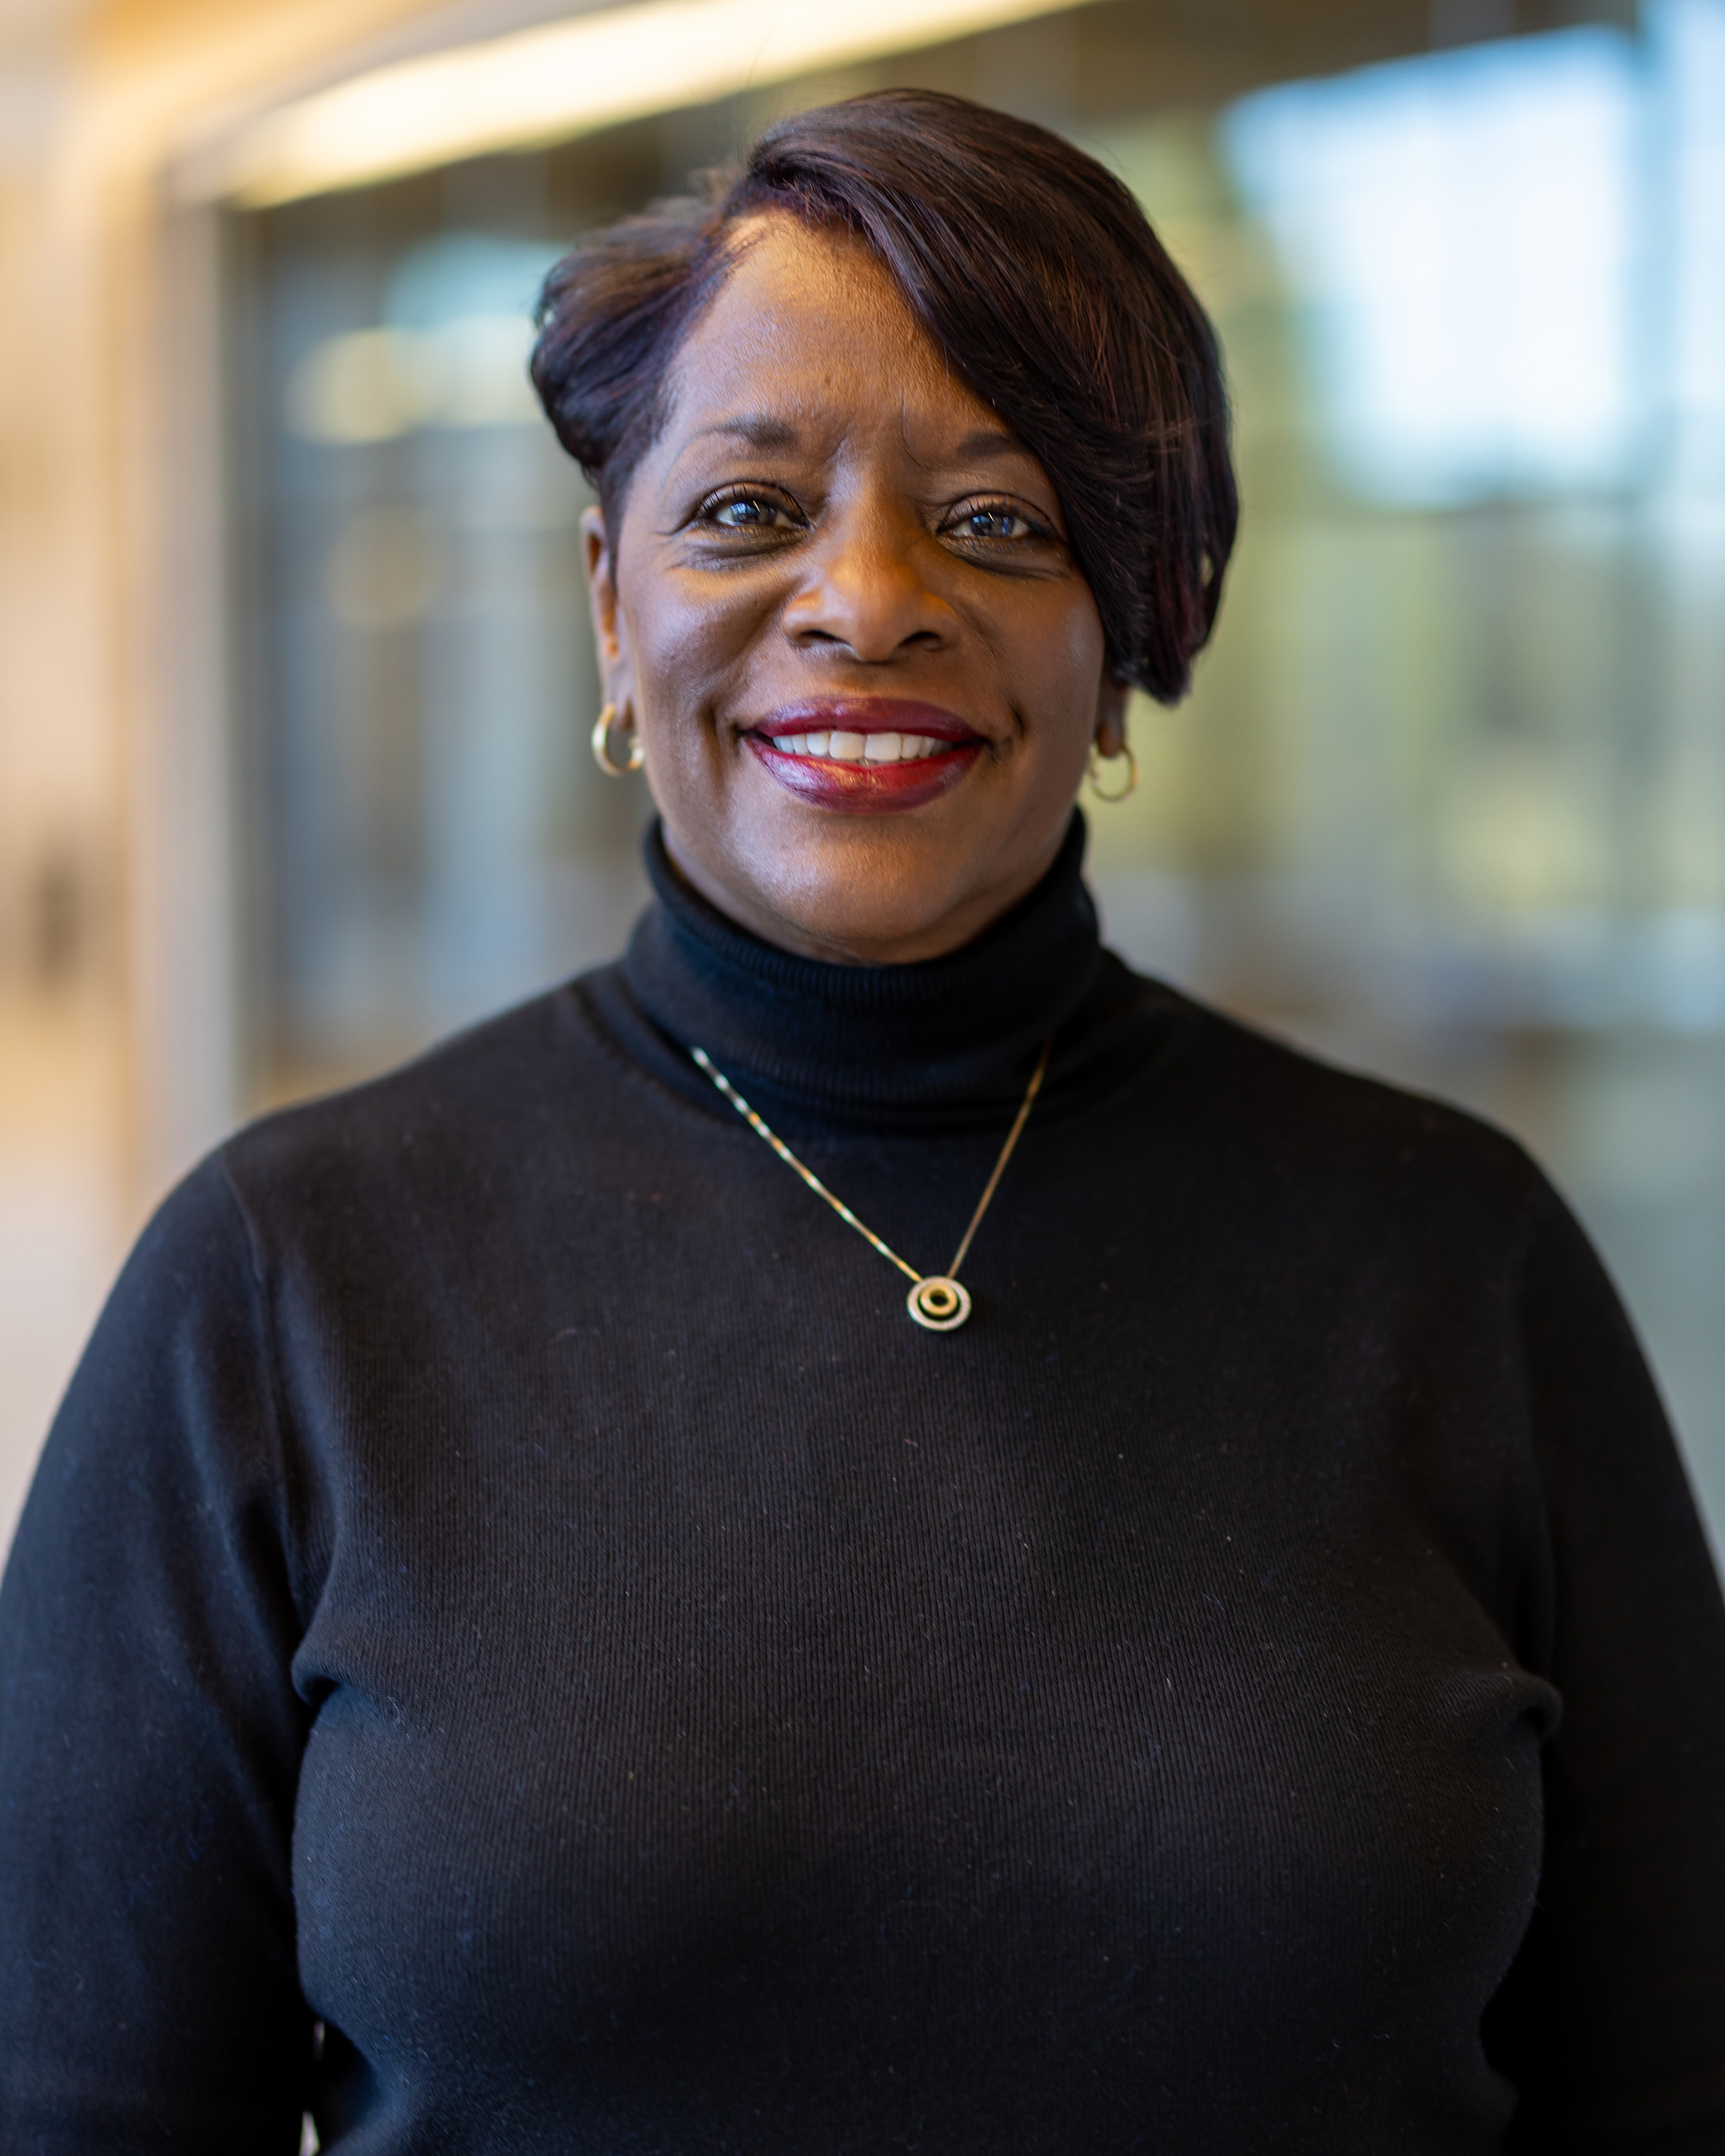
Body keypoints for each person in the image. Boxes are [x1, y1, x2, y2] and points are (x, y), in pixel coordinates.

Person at [2, 88, 1723, 2154]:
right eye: (746, 508)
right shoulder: (279, 1288)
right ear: (608, 606)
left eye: (999, 521)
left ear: (1127, 641)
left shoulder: (1459, 1261)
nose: (869, 598)